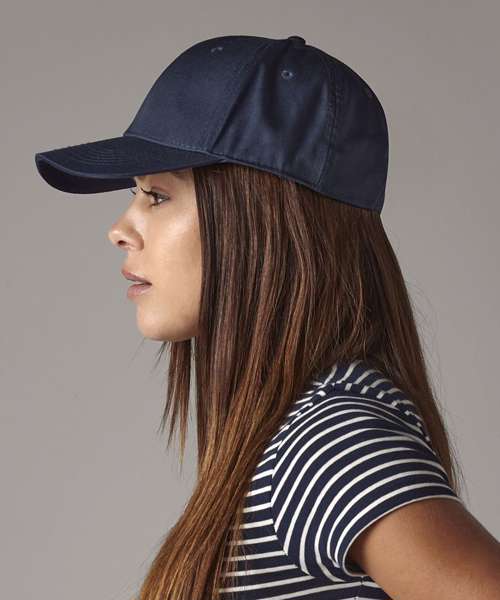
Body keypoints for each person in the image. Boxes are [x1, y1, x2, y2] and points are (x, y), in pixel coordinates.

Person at [34, 34, 500, 600]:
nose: (119, 230)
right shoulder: (291, 434)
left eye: (157, 196)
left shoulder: (326, 442)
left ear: (261, 219)